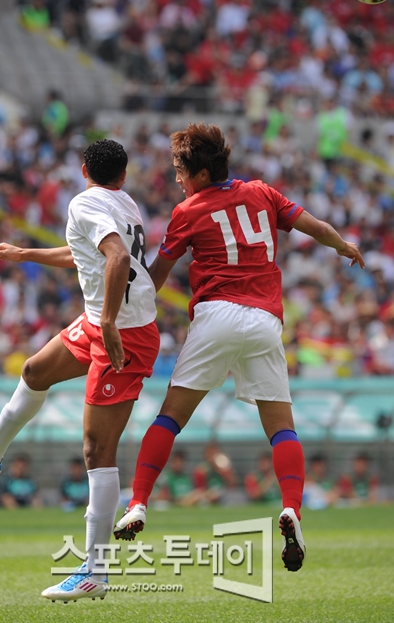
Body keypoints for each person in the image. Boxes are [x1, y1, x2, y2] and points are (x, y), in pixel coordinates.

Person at [112, 122, 365, 573]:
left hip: (216, 317)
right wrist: (343, 246)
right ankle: (292, 509)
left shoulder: (187, 210)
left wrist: (121, 308)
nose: (177, 179)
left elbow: (157, 276)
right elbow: (316, 227)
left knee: (170, 418)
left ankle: (138, 503)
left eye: (180, 172)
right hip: (265, 321)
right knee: (281, 429)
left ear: (201, 174)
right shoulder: (263, 192)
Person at [0, 139, 160, 602]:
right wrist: (25, 253)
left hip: (122, 331)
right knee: (35, 370)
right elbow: (88, 253)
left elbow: (118, 258)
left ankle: (95, 571)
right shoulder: (124, 202)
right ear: (123, 175)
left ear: (83, 170)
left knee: (97, 451)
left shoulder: (85, 201)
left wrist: (107, 322)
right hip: (101, 322)